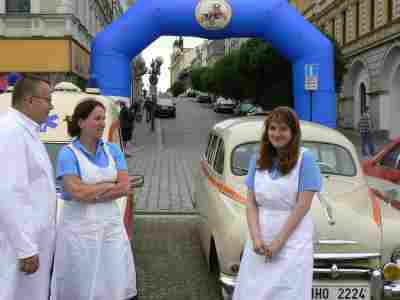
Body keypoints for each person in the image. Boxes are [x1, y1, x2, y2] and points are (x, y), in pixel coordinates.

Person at [51, 98, 137, 300]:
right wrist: (109, 185)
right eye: (97, 118)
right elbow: (75, 192)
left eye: (103, 118)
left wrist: (91, 190)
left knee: (112, 282)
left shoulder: (113, 150)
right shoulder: (67, 154)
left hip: (110, 229)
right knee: (81, 284)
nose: (102, 123)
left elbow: (124, 187)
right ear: (81, 122)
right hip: (79, 234)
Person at [233, 106, 322, 300]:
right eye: (272, 128)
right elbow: (251, 203)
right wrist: (256, 238)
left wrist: (279, 242)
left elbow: (302, 206)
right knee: (253, 291)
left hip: (293, 240)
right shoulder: (257, 159)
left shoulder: (305, 159)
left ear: (293, 132)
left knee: (287, 292)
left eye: (283, 129)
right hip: (260, 239)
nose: (277, 134)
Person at [0, 76, 57, 300]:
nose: (51, 106)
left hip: (32, 240)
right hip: (21, 245)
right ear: (30, 100)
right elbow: (10, 193)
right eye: (48, 99)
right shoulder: (11, 132)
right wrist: (26, 248)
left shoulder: (26, 130)